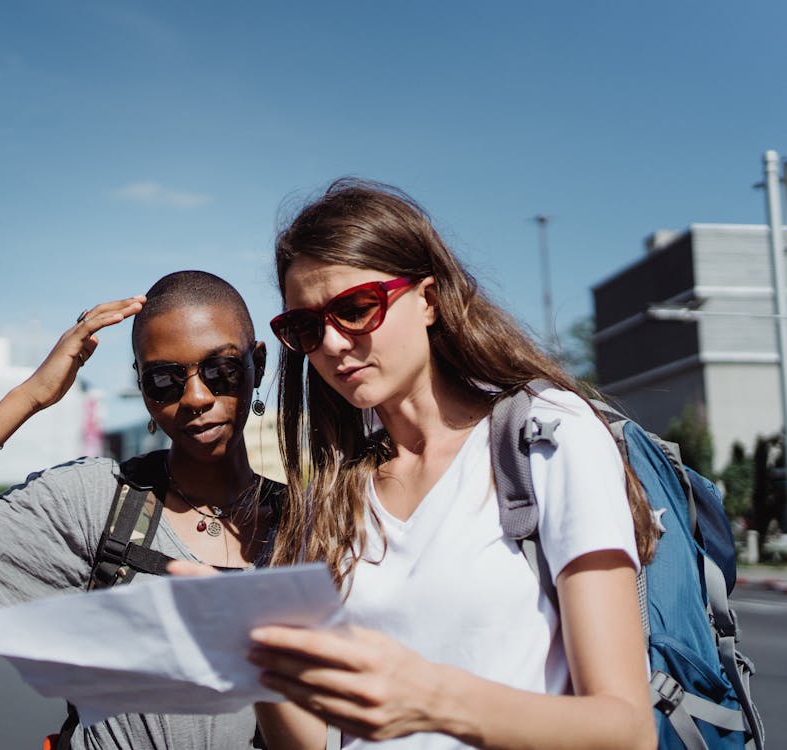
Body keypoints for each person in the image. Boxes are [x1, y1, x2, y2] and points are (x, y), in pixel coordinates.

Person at [247, 179, 659, 749]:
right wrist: (251, 654)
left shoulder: (546, 434)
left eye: (357, 309)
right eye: (306, 327)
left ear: (429, 299)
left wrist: (433, 702)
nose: (334, 344)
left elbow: (627, 731)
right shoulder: (331, 492)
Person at [0, 270, 282, 750]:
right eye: (165, 380)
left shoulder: (316, 523)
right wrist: (28, 397)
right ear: (143, 389)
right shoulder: (96, 499)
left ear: (257, 362)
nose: (196, 397)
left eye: (221, 370)